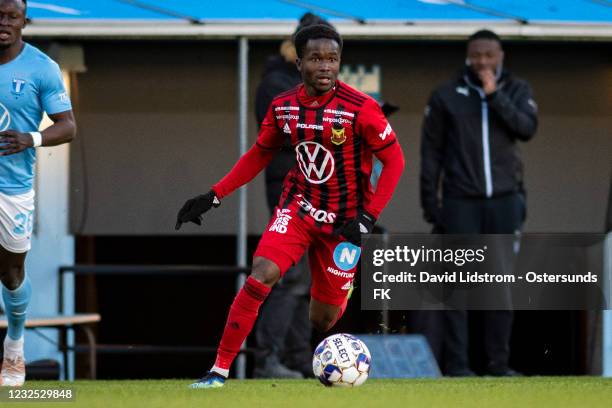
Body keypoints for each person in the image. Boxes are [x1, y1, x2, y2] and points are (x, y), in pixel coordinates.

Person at [176, 24, 405, 388]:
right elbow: (259, 153)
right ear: (299, 63)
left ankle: (337, 293)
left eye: (332, 59)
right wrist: (214, 194)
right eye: (316, 59)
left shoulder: (361, 109)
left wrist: (368, 217)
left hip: (345, 223)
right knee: (261, 273)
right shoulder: (283, 106)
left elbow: (395, 161)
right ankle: (218, 371)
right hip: (298, 209)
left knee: (322, 320)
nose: (325, 66)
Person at [420, 29, 537, 376]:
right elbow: (431, 154)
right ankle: (458, 367)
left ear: (501, 56)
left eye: (489, 55)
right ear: (467, 57)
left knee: (499, 288)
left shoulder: (517, 89)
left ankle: (498, 366)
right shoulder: (445, 94)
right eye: (476, 56)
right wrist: (432, 204)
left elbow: (526, 128)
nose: (482, 62)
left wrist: (495, 95)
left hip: (503, 203)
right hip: (460, 203)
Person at [252, 13, 333, 380]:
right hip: (288, 187)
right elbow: (284, 135)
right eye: (315, 53)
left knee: (310, 278)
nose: (322, 61)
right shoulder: (275, 84)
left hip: (322, 191)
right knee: (289, 275)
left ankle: (299, 359)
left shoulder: (325, 86)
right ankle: (266, 360)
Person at [0, 0, 76, 386]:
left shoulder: (42, 67)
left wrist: (30, 137)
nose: (3, 23)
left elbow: (68, 126)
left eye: (11, 16)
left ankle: (14, 345)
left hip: (13, 187)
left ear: (23, 22)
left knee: (11, 273)